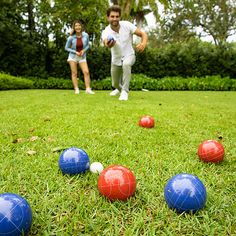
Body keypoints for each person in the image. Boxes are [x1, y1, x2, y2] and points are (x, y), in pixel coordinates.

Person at [102, 5, 148, 101]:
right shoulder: (106, 31)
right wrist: (110, 44)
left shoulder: (127, 25)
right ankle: (119, 89)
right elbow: (106, 43)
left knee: (126, 64)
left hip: (129, 55)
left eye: (117, 16)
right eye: (112, 16)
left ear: (120, 17)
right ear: (108, 18)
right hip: (116, 59)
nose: (115, 19)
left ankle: (125, 92)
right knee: (114, 84)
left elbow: (143, 34)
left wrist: (143, 43)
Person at [65, 20, 94, 94]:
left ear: (81, 26)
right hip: (73, 57)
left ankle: (88, 89)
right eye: (76, 26)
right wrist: (75, 52)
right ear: (74, 28)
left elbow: (87, 45)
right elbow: (66, 48)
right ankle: (76, 89)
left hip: (82, 56)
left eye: (79, 25)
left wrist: (84, 51)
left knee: (86, 72)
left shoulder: (86, 35)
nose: (78, 27)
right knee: (74, 73)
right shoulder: (71, 37)